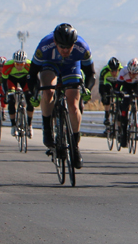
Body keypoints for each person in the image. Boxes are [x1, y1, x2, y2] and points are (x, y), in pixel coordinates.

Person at [28, 23, 95, 170]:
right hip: (50, 65)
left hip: (71, 67)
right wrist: (33, 92)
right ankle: (47, 129)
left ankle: (75, 145)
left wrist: (87, 89)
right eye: (62, 47)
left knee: (73, 103)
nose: (65, 50)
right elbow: (32, 74)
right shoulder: (45, 45)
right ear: (55, 43)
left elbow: (90, 74)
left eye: (68, 47)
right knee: (48, 91)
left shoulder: (82, 47)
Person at [0, 50, 35, 138]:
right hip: (12, 80)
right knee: (11, 100)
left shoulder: (29, 65)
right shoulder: (7, 66)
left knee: (30, 100)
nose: (19, 66)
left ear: (25, 63)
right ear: (14, 62)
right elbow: (4, 81)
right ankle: (13, 125)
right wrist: (6, 93)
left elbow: (34, 80)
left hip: (25, 79)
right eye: (17, 64)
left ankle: (29, 125)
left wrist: (34, 93)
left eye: (21, 64)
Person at [111, 57, 138, 148]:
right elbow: (117, 86)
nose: (132, 75)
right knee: (124, 108)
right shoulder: (123, 71)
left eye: (134, 73)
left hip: (137, 85)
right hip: (126, 86)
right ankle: (124, 136)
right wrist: (119, 92)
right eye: (130, 73)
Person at [98, 56, 122, 127]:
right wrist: (103, 96)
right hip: (108, 84)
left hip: (118, 84)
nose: (114, 73)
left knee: (120, 98)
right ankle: (107, 116)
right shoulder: (104, 71)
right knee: (107, 97)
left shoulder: (122, 70)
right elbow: (101, 86)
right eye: (112, 71)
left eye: (116, 71)